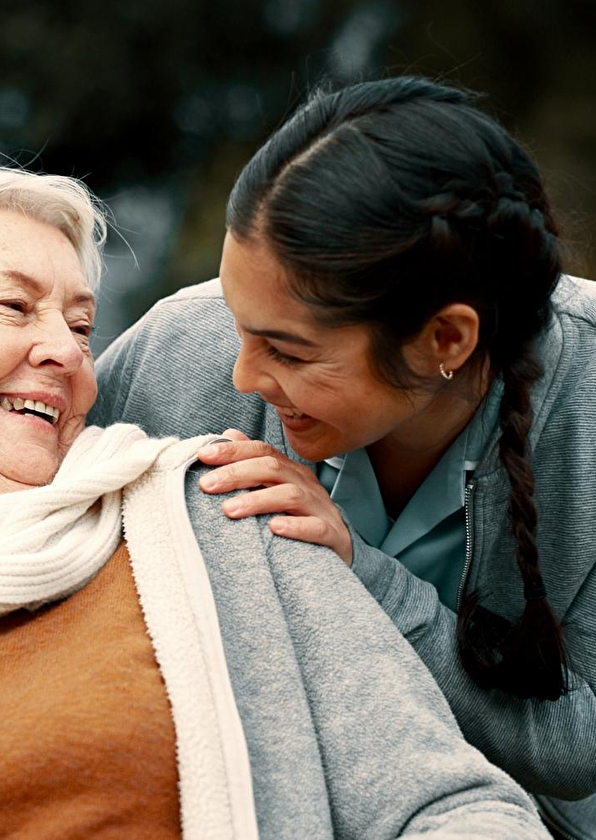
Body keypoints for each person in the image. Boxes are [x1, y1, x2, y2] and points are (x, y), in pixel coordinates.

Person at [0, 151, 549, 839]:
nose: (67, 349)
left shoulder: (227, 521)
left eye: (81, 324)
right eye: (12, 308)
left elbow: (449, 807)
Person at [89, 77, 596, 839]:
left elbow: (578, 743)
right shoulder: (174, 353)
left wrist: (358, 571)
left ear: (445, 340)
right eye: (237, 322)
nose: (243, 378)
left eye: (288, 352)